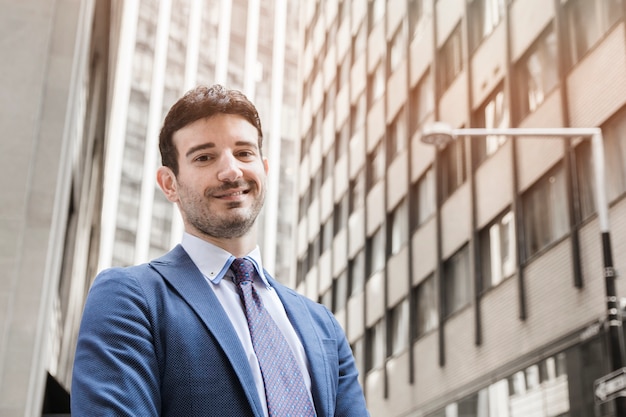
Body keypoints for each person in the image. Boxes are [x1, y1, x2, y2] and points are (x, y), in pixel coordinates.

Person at [71, 84, 369, 416]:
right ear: (170, 184)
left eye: (244, 153)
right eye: (205, 157)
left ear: (264, 170)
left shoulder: (321, 324)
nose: (231, 171)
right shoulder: (131, 299)